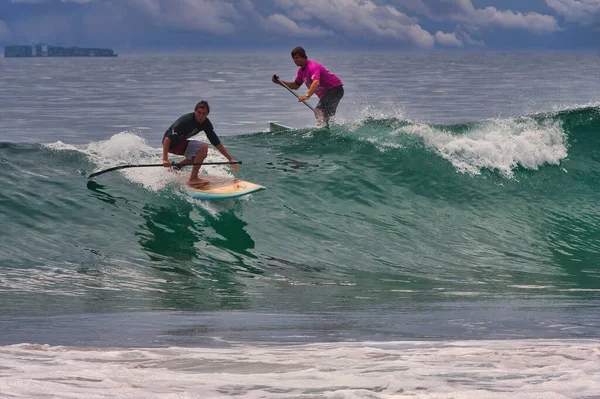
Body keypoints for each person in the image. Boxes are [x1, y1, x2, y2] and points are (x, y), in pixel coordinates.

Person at [162, 101, 238, 186]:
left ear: (207, 114)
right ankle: (193, 179)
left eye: (204, 114)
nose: (201, 116)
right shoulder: (186, 120)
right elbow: (167, 139)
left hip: (180, 143)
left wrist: (230, 159)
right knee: (203, 147)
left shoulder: (206, 123)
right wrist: (165, 159)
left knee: (200, 155)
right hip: (171, 144)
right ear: (195, 111)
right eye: (199, 113)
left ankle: (176, 167)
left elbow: (215, 141)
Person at [272, 46, 344, 126]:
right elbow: (295, 86)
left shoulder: (312, 66)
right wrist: (279, 82)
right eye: (293, 58)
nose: (295, 60)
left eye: (297, 57)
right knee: (327, 117)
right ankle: (330, 130)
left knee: (318, 109)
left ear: (304, 57)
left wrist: (307, 96)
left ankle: (321, 129)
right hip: (331, 92)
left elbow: (316, 82)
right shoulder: (301, 72)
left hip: (335, 89)